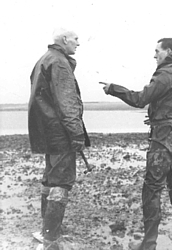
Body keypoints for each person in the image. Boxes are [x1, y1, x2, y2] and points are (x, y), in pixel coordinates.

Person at [100, 38, 172, 250]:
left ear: (168, 51)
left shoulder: (164, 75)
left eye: (157, 51)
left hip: (163, 141)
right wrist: (158, 116)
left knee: (151, 190)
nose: (154, 55)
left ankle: (149, 244)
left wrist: (113, 89)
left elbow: (140, 99)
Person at [28, 28, 90, 250]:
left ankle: (46, 231)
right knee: (61, 183)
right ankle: (51, 239)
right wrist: (77, 134)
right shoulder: (60, 63)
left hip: (46, 131)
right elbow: (67, 103)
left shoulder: (44, 60)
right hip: (60, 133)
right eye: (76, 39)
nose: (78, 43)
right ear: (64, 40)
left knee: (50, 180)